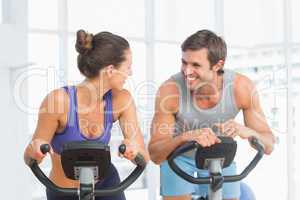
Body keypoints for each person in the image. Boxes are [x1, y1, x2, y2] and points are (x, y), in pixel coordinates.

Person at [148, 30, 275, 200]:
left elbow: (268, 146)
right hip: (179, 157)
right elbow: (155, 154)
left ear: (218, 65)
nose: (187, 71)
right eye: (184, 63)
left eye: (196, 65)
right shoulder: (170, 91)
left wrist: (248, 132)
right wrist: (185, 137)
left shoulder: (241, 88)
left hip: (220, 157)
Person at [24, 30, 149, 200]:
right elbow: (30, 158)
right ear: (111, 70)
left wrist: (134, 151)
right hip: (64, 192)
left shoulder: (122, 99)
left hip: (106, 187)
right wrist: (35, 150)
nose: (131, 73)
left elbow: (143, 155)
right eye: (128, 67)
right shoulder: (59, 101)